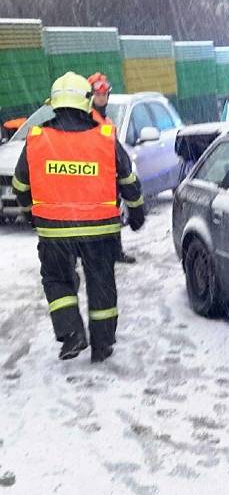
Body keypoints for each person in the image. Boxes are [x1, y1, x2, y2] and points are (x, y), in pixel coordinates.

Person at [11, 72, 145, 363]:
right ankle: (102, 343)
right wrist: (137, 213)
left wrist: (30, 213)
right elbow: (128, 181)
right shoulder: (105, 138)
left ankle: (72, 333)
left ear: (54, 103)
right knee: (101, 283)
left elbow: (20, 185)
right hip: (99, 230)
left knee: (57, 280)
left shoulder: (36, 139)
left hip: (55, 232)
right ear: (86, 102)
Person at [87, 72, 137, 264]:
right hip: (92, 180)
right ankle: (92, 254)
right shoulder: (88, 119)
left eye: (105, 93)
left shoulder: (106, 121)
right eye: (98, 93)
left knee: (112, 216)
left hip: (107, 180)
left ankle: (116, 251)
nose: (102, 97)